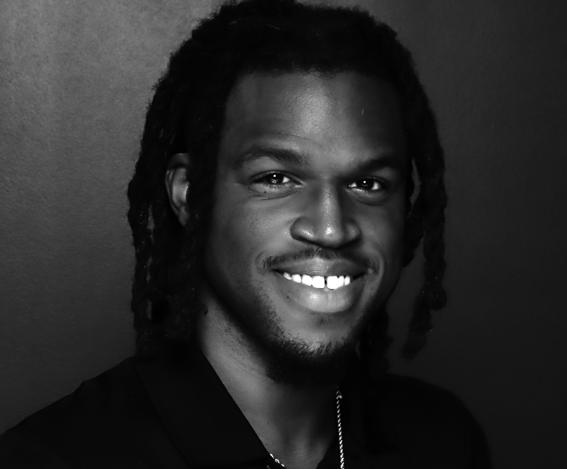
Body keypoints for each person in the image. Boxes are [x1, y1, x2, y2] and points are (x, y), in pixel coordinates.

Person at [0, 0, 491, 467]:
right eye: (276, 178)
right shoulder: (54, 459)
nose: (330, 228)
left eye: (367, 184)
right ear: (190, 195)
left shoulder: (442, 442)